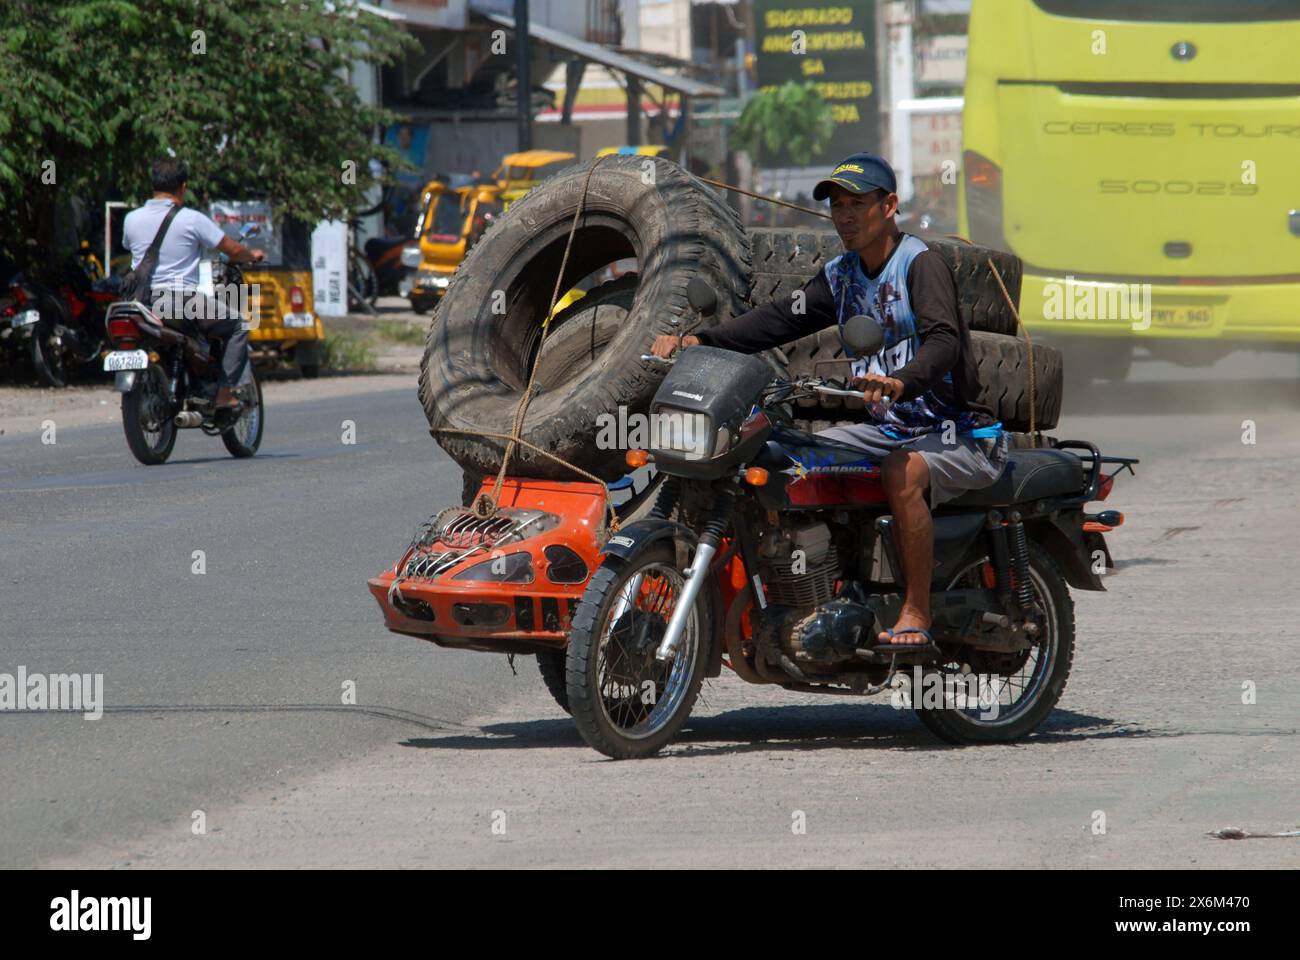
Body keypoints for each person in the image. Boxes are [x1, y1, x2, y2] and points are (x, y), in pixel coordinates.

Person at [650, 151, 1007, 650]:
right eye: (837, 205)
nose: (844, 216)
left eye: (857, 203)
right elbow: (779, 319)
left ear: (889, 207)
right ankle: (819, 592)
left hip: (958, 431)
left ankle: (916, 610)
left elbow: (945, 341)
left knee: (903, 471)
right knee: (792, 459)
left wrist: (903, 380)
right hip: (887, 429)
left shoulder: (919, 264)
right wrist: (701, 343)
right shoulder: (840, 275)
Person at [122, 157, 264, 409]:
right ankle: (223, 394)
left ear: (153, 184)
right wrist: (250, 255)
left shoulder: (131, 219)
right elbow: (230, 248)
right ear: (183, 187)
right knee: (240, 324)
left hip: (141, 303)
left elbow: (130, 247)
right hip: (181, 301)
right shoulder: (192, 219)